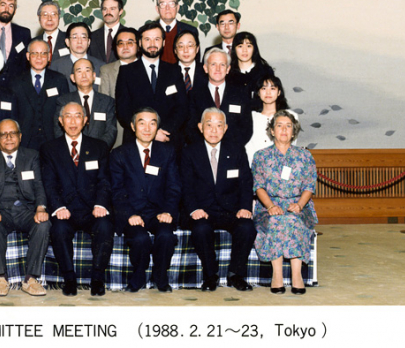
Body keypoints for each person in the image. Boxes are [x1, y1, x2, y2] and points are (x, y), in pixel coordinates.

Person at [41, 102, 113, 296]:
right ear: (60, 120)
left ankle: (97, 278)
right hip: (66, 209)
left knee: (105, 226)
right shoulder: (49, 148)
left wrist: (100, 204)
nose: (73, 121)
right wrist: (58, 207)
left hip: (92, 209)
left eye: (78, 116)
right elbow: (49, 183)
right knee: (59, 229)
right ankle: (69, 279)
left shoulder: (99, 147)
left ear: (85, 120)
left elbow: (105, 181)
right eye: (68, 116)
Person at [180, 108, 256, 292]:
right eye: (209, 125)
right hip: (203, 209)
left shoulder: (236, 150)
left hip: (231, 209)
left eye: (219, 125)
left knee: (247, 228)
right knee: (201, 229)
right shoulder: (189, 152)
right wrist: (194, 209)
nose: (214, 130)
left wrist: (245, 207)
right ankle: (210, 276)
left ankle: (235, 275)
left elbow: (246, 183)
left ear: (225, 128)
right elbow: (186, 186)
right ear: (200, 127)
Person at [109, 108, 181, 292]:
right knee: (140, 238)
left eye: (152, 123)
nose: (147, 128)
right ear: (133, 127)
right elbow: (117, 191)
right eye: (142, 123)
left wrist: (168, 211)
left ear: (157, 127)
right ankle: (138, 275)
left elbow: (173, 187)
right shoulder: (119, 154)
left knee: (166, 236)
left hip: (158, 212)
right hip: (132, 212)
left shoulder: (167, 152)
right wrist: (129, 214)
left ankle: (160, 275)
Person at [0, 119, 51, 297]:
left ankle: (31, 279)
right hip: (1, 210)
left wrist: (40, 208)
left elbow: (39, 184)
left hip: (26, 210)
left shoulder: (32, 155)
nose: (8, 138)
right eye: (3, 134)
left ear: (20, 136)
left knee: (43, 224)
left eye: (12, 133)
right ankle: (0, 278)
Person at [252, 110, 317, 295]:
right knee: (276, 220)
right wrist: (271, 206)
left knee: (294, 219)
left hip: (299, 205)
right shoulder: (261, 156)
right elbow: (258, 186)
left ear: (293, 131)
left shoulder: (304, 156)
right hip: (268, 206)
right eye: (279, 125)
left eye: (288, 126)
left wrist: (299, 205)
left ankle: (297, 276)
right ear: (272, 130)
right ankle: (277, 276)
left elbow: (309, 186)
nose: (284, 129)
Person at [116, 21, 187, 147]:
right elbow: (123, 111)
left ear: (163, 42)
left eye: (157, 39)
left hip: (168, 139)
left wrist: (164, 131)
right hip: (136, 142)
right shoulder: (126, 72)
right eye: (147, 39)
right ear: (140, 43)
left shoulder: (174, 71)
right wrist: (151, 133)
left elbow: (182, 107)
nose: (152, 44)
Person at [9, 39, 70, 150]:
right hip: (24, 143)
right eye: (35, 53)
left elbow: (65, 112)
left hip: (53, 141)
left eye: (43, 53)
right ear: (28, 56)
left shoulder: (59, 80)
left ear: (49, 56)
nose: (39, 57)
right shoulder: (15, 82)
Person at [187, 48, 252, 146]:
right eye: (213, 64)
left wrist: (227, 150)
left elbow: (246, 128)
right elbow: (191, 128)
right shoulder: (194, 95)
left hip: (233, 150)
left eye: (222, 65)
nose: (218, 69)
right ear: (205, 68)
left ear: (228, 69)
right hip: (202, 150)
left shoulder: (241, 93)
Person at [54, 58, 117, 149]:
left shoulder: (107, 101)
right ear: (73, 78)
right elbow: (58, 130)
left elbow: (111, 131)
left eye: (87, 71)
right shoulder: (63, 101)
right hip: (72, 151)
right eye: (79, 71)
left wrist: (99, 150)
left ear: (94, 75)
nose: (84, 75)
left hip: (99, 151)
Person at [99, 27, 138, 148]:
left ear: (138, 45)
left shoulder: (147, 67)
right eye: (120, 43)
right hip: (118, 129)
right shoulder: (107, 70)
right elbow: (105, 104)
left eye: (130, 43)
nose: (125, 47)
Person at [246, 74, 297, 164]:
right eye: (264, 88)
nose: (268, 92)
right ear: (258, 92)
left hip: (281, 167)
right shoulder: (250, 117)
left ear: (279, 92)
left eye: (272, 88)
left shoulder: (290, 116)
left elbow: (292, 145)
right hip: (255, 167)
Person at [50, 22, 105, 91]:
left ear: (89, 42)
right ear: (67, 42)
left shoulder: (101, 66)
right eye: (75, 37)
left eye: (83, 37)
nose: (79, 41)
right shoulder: (56, 66)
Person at [154, 0, 198, 64]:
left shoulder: (190, 30)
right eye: (163, 4)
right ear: (157, 9)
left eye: (171, 4)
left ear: (177, 8)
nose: (167, 8)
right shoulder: (147, 32)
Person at [90, 0, 124, 64]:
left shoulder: (130, 35)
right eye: (105, 9)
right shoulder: (92, 36)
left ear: (120, 11)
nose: (108, 12)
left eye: (112, 9)